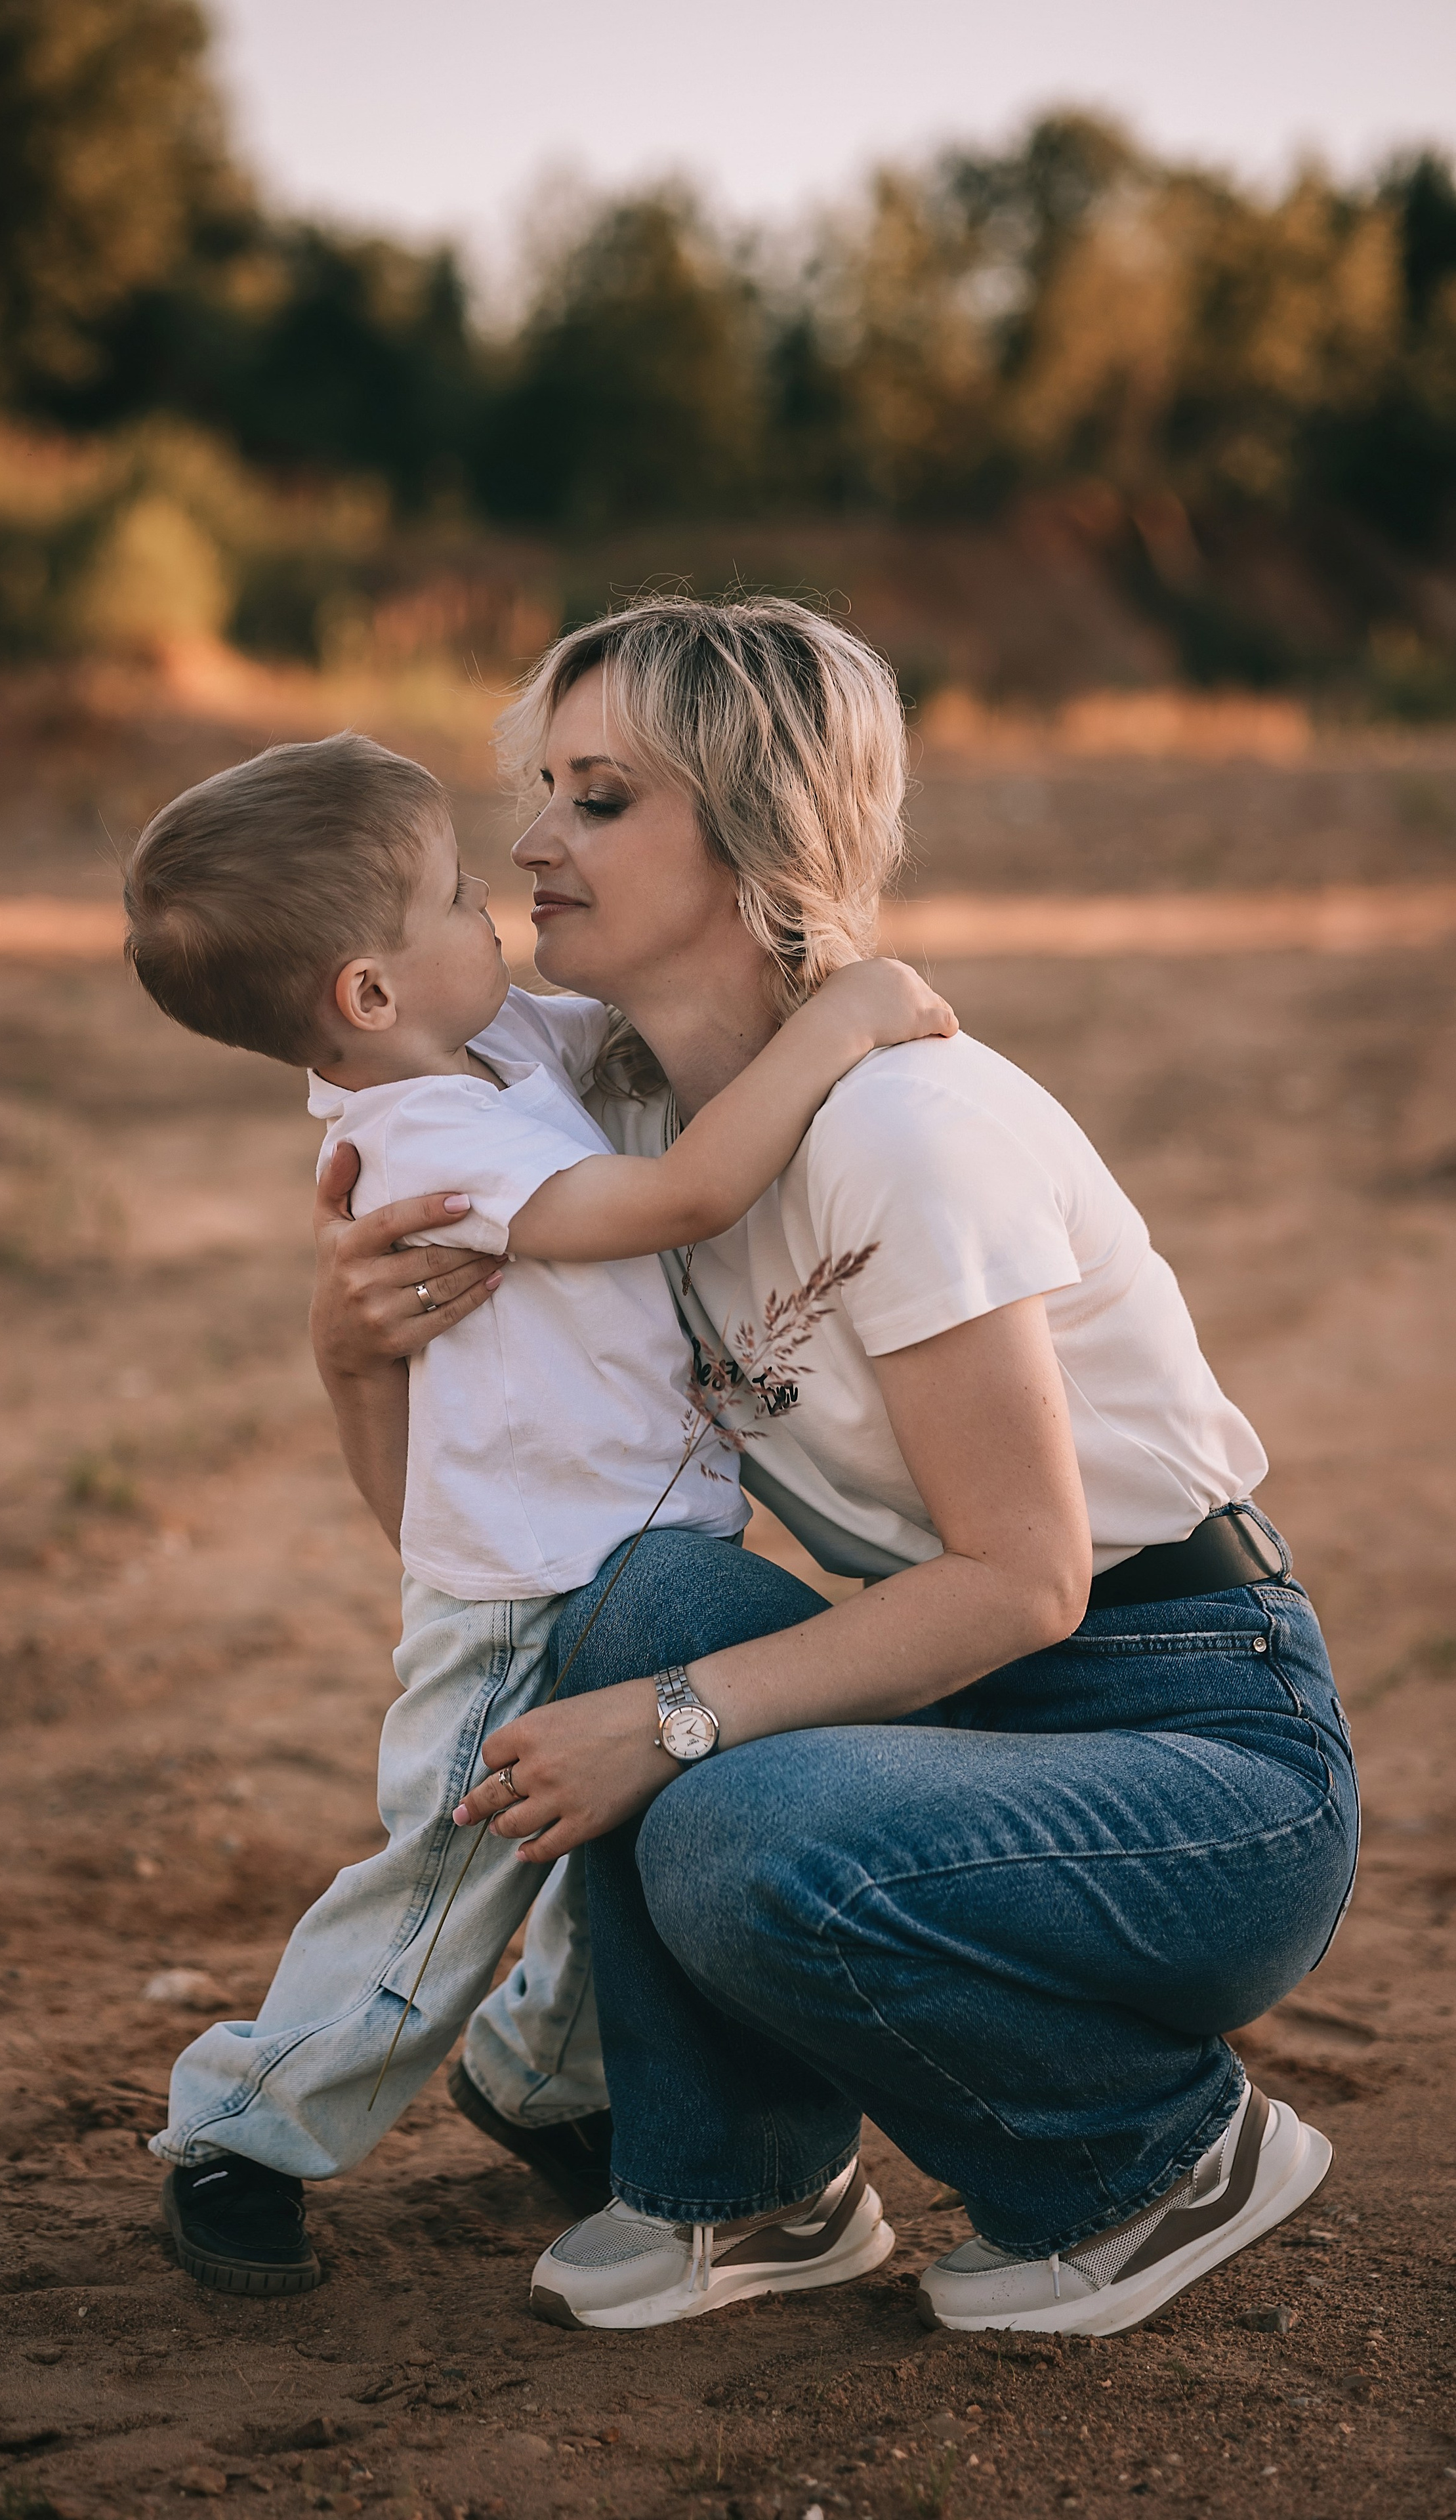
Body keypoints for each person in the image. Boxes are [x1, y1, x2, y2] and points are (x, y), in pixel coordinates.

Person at [315, 595, 1360, 2338]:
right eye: (545, 790)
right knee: (626, 1596)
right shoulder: (638, 1141)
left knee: (733, 1820)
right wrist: (351, 1354)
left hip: (1196, 1747)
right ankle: (747, 2194)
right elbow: (488, 1548)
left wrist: (668, 1727)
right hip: (972, 1713)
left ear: (754, 834)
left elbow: (1029, 1581)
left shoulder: (902, 1129)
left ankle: (1156, 2155)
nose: (529, 843)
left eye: (600, 797)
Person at [120, 728, 955, 2296]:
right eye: (448, 898)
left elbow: (643, 1044)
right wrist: (850, 1015)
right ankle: (243, 2124)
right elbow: (681, 1193)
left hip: (623, 1550)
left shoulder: (491, 1048)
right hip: (518, 1587)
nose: (490, 900)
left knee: (619, 1845)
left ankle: (544, 2076)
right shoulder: (424, 1140)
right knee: (450, 1873)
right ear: (366, 995)